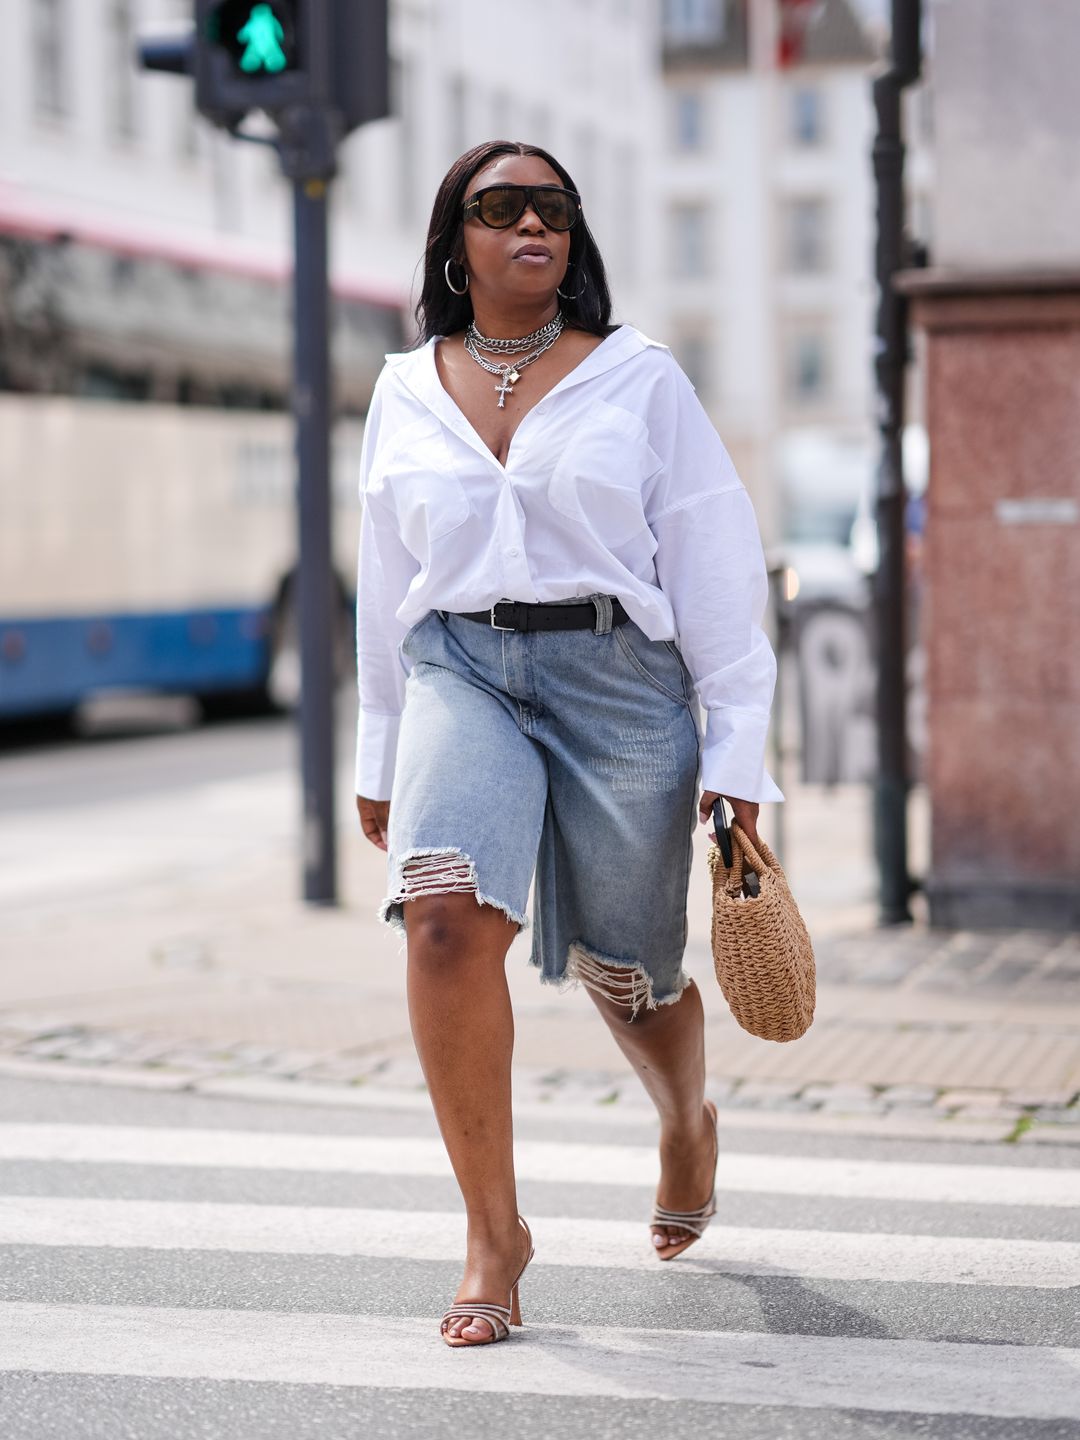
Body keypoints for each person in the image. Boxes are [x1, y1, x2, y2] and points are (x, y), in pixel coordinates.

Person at [354, 141, 782, 1348]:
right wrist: (376, 754)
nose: (530, 223)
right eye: (501, 207)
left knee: (629, 975)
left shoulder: (640, 380)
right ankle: (496, 1234)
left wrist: (738, 763)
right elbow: (385, 580)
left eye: (553, 207)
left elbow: (712, 565)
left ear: (575, 237)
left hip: (618, 680)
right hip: (458, 667)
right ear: (458, 240)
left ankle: (686, 1121)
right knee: (439, 914)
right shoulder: (403, 388)